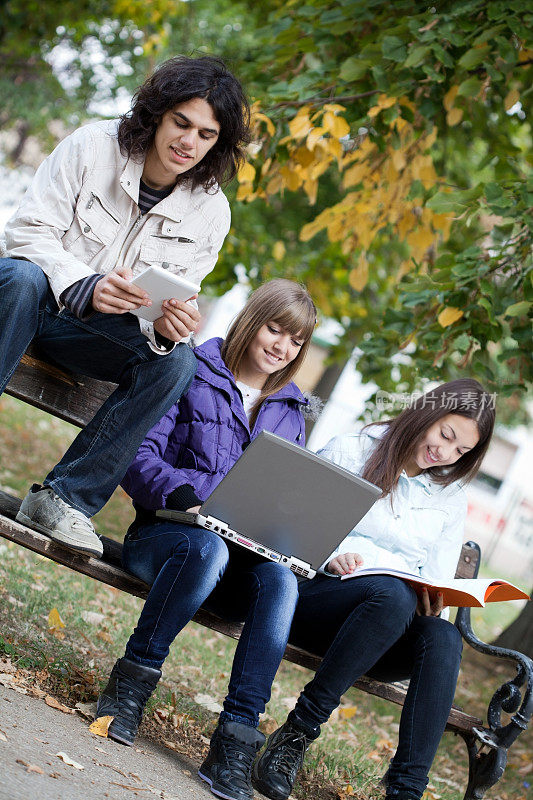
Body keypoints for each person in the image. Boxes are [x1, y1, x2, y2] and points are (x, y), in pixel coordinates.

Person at [0, 55, 250, 558]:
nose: (189, 142)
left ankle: (64, 498)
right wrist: (85, 285)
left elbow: (178, 296)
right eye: (182, 123)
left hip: (93, 338)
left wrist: (167, 326)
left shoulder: (212, 211)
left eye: (206, 135)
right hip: (27, 304)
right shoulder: (93, 147)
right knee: (20, 277)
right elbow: (26, 234)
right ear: (157, 113)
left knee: (177, 359)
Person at [96, 279, 318, 800]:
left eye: (296, 341)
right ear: (250, 320)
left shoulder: (291, 410)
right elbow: (138, 456)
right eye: (275, 329)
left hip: (241, 560)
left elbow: (286, 497)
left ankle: (235, 743)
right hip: (168, 538)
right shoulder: (192, 367)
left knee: (281, 584)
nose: (282, 347)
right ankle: (129, 688)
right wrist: (192, 498)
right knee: (207, 547)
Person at [253, 379, 495, 800]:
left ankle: (406, 789)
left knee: (442, 636)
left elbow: (436, 578)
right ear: (427, 412)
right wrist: (331, 554)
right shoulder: (353, 450)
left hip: (385, 628)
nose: (446, 453)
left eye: (461, 452)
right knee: (392, 594)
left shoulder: (450, 498)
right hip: (316, 601)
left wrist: (434, 599)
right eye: (446, 435)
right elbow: (290, 522)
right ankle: (297, 733)